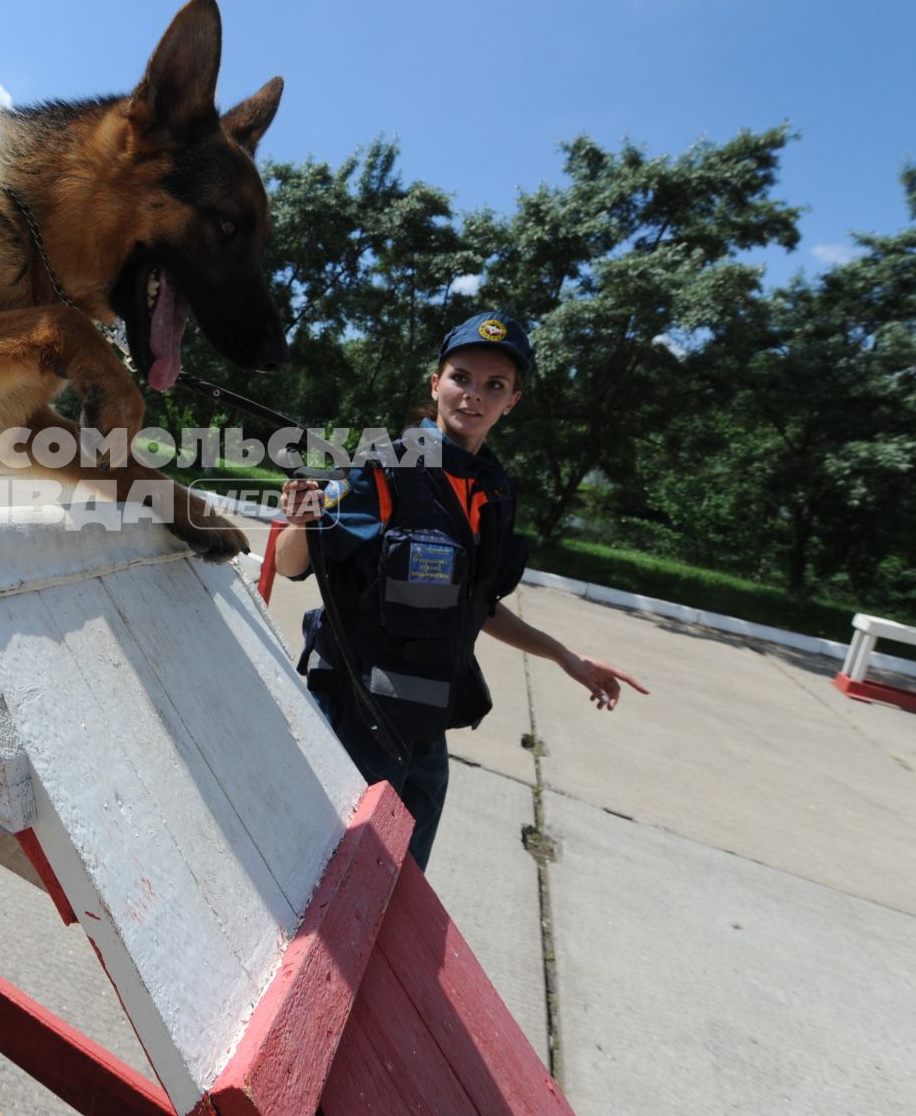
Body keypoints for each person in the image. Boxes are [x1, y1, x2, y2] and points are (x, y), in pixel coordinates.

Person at [273, 311, 650, 868]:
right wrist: (302, 521)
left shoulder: (492, 490)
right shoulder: (386, 468)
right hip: (357, 712)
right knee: (320, 878)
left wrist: (568, 658)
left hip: (426, 726)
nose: (473, 395)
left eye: (494, 385)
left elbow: (478, 607)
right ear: (436, 383)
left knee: (400, 888)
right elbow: (289, 565)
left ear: (512, 401)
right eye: (461, 377)